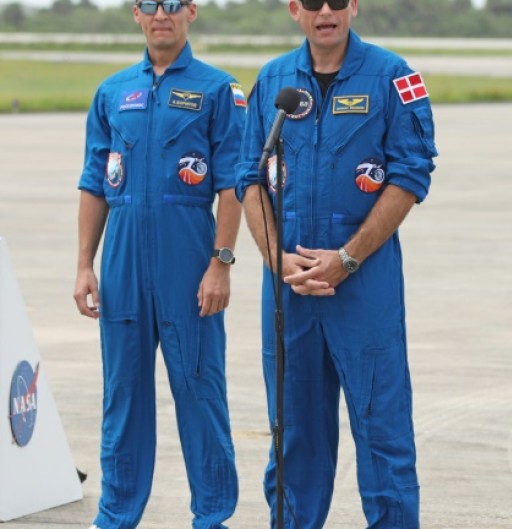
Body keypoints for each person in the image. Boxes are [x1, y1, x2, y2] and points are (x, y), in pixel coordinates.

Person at [235, 0, 437, 526]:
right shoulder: (273, 81)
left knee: (382, 430)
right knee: (293, 435)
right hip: (290, 291)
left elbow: (412, 175)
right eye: (312, 1)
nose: (325, 10)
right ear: (292, 9)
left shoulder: (395, 78)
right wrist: (276, 259)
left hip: (364, 288)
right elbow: (248, 177)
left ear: (355, 7)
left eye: (337, 0)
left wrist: (348, 258)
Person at [72, 0, 246, 527]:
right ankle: (117, 513)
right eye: (150, 4)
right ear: (136, 14)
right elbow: (93, 183)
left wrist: (221, 263)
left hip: (188, 257)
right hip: (123, 259)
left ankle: (212, 514)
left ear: (191, 12)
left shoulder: (219, 90)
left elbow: (233, 184)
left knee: (200, 390)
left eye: (173, 4)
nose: (161, 13)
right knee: (121, 395)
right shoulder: (111, 92)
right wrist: (84, 264)